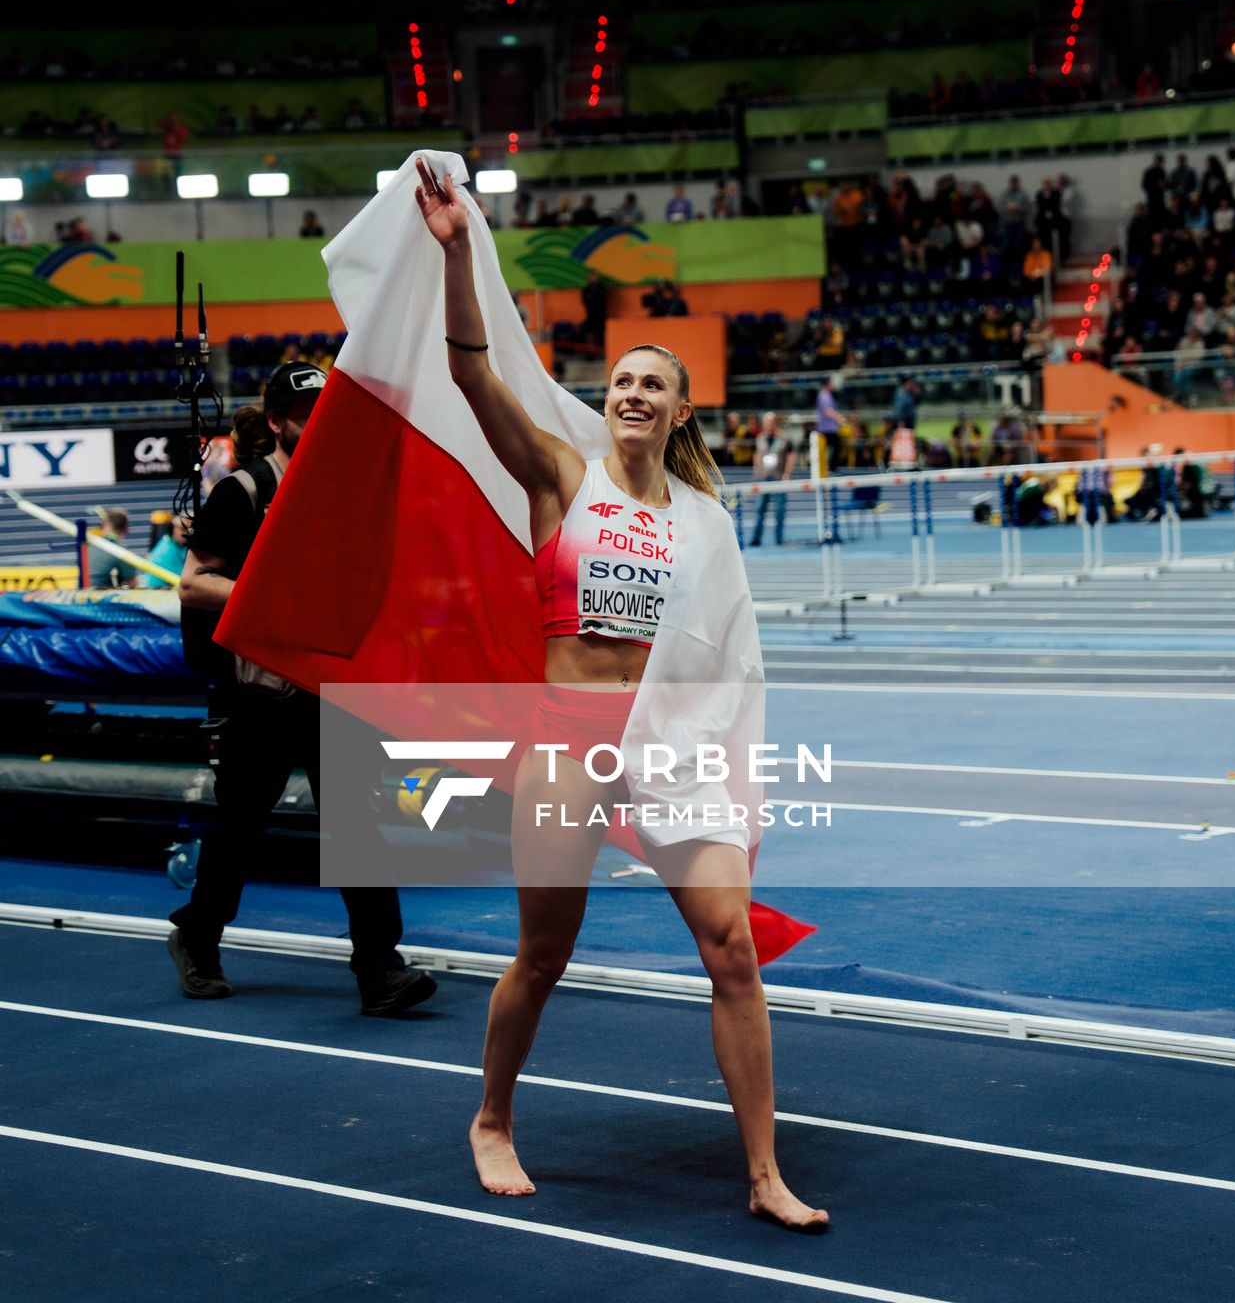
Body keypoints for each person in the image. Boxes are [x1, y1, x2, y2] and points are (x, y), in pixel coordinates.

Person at [413, 159, 826, 1229]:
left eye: (652, 382)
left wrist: (732, 776)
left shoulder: (708, 524)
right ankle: (492, 1118)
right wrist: (461, 252)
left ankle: (762, 1172)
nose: (632, 392)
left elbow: (731, 665)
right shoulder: (562, 477)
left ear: (681, 408)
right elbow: (469, 376)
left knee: (729, 948)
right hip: (568, 744)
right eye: (620, 380)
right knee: (542, 955)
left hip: (674, 755)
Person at [169, 362, 435, 1016]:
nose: (320, 427)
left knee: (359, 832)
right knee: (239, 831)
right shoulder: (245, 490)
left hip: (333, 693)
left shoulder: (352, 492)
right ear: (280, 422)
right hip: (260, 696)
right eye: (307, 415)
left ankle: (381, 969)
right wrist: (274, 603)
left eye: (329, 415)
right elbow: (195, 582)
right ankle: (197, 937)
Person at [750, 412, 795, 546]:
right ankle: (756, 538)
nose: (767, 425)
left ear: (775, 423)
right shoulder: (760, 438)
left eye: (770, 423)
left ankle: (779, 538)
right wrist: (756, 471)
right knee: (759, 509)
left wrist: (787, 474)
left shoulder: (785, 439)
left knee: (780, 509)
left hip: (778, 478)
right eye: (765, 423)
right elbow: (757, 455)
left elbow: (791, 456)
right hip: (763, 478)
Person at [90, 509, 135, 588]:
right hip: (99, 598)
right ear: (127, 529)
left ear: (103, 526)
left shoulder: (89, 546)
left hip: (79, 594)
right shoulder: (122, 553)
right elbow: (134, 585)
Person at [815, 377, 843, 472]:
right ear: (826, 384)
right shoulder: (823, 396)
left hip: (829, 427)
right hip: (826, 428)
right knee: (834, 446)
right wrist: (839, 418)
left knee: (831, 447)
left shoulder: (828, 395)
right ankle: (830, 467)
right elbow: (828, 411)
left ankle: (829, 466)